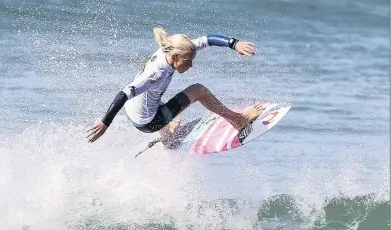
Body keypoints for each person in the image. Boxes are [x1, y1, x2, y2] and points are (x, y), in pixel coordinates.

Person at [87, 27, 264, 143]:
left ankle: (168, 136)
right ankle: (239, 121)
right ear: (174, 58)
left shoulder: (174, 48)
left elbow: (207, 39)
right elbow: (124, 93)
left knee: (156, 99)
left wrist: (234, 44)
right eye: (188, 62)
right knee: (198, 90)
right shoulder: (156, 73)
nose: (191, 66)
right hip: (148, 122)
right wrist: (105, 123)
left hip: (138, 110)